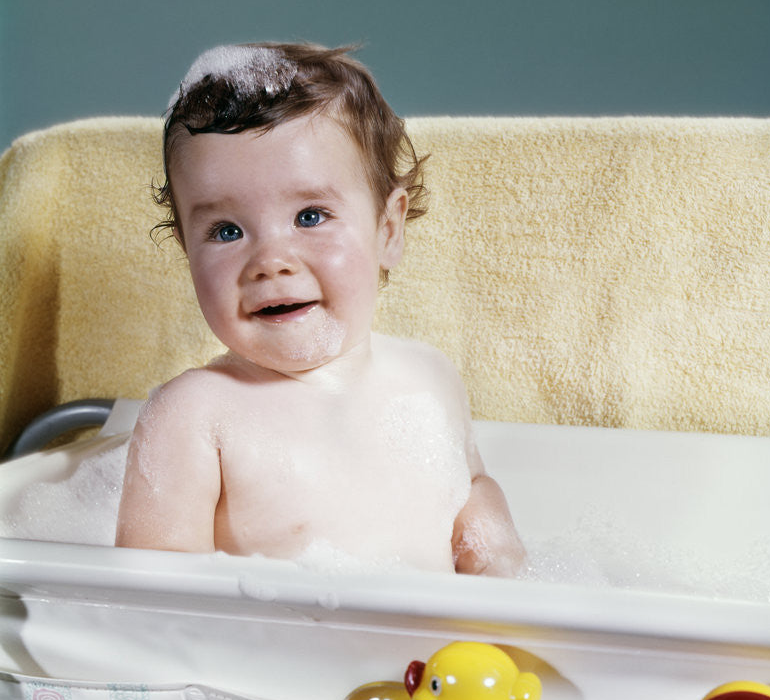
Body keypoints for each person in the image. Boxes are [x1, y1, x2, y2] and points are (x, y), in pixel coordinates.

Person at [115, 42, 525, 576]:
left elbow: (470, 487)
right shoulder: (194, 414)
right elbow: (149, 598)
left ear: (388, 229)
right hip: (271, 658)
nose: (270, 261)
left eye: (310, 216)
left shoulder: (428, 377)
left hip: (428, 657)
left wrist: (496, 564)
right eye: (226, 231)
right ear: (186, 250)